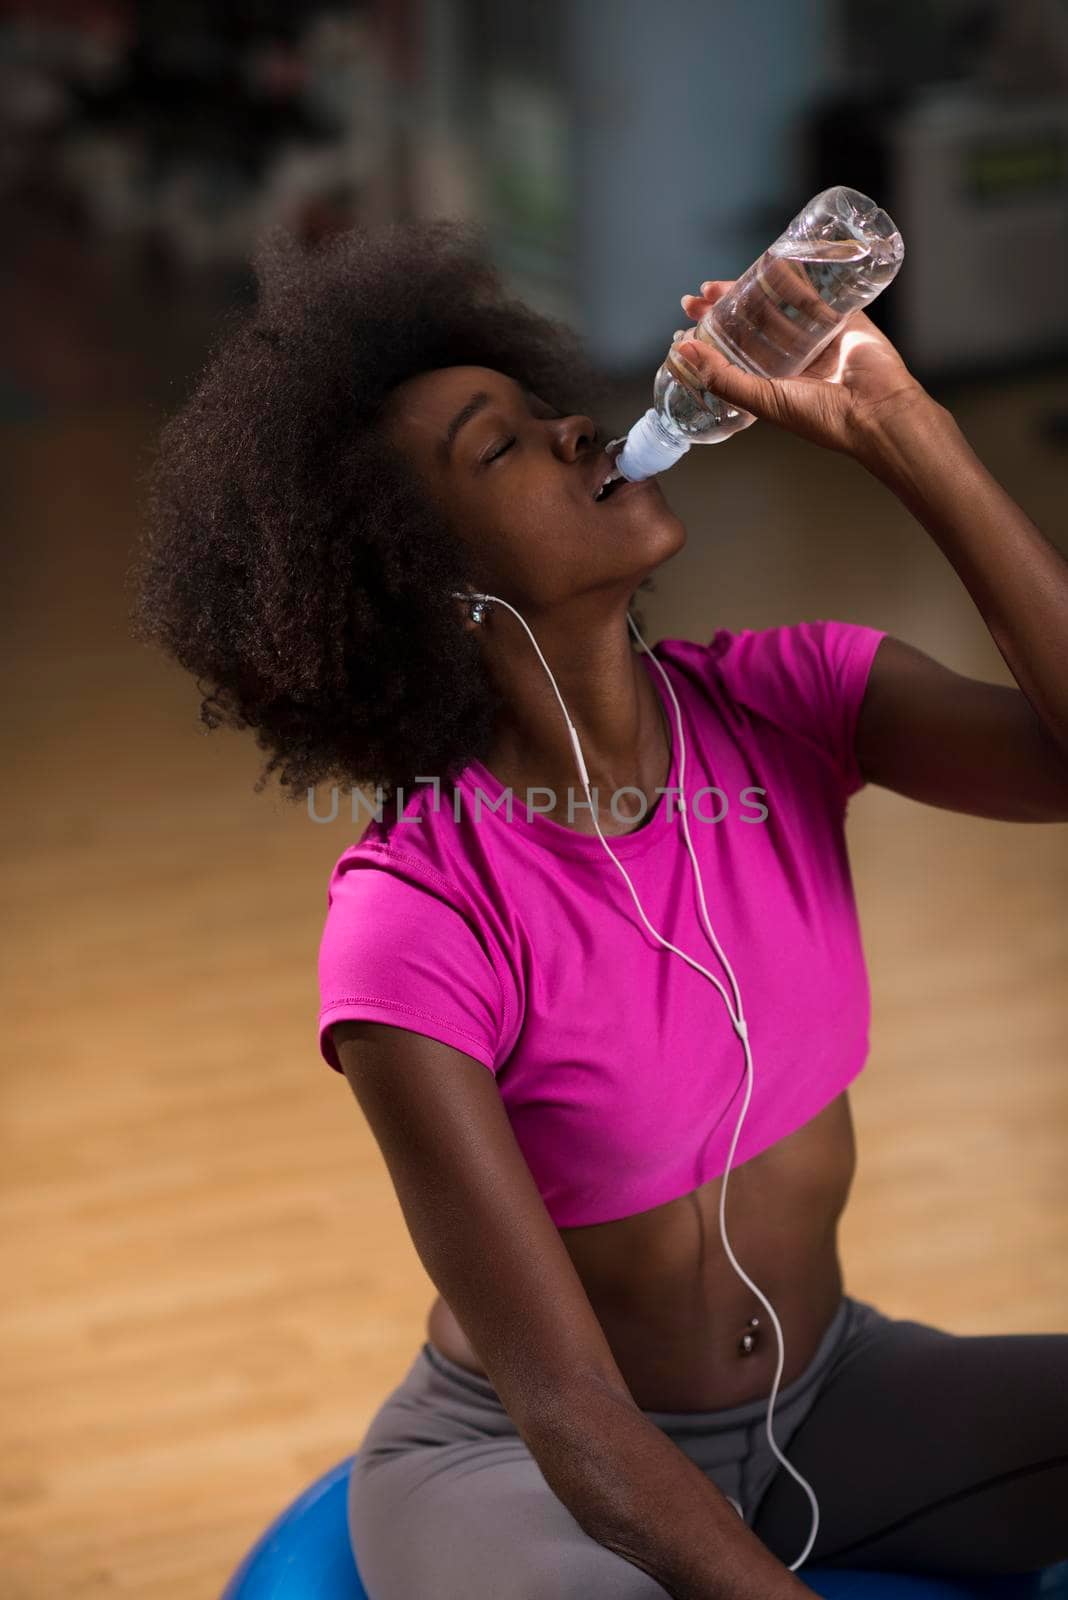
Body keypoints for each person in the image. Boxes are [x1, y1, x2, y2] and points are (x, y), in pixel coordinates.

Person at [130, 218, 1068, 1600]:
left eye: (544, 410)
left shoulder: (791, 699)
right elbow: (570, 1410)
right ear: (430, 591)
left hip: (829, 1396)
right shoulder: (416, 924)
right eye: (498, 446)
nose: (578, 429)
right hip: (525, 1469)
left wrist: (903, 427)